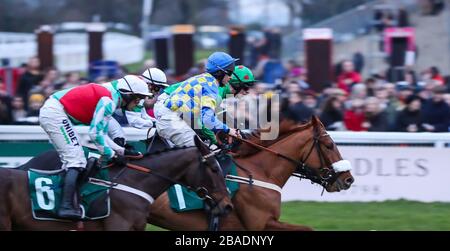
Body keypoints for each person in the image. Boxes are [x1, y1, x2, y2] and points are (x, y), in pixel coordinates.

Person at [39, 75, 153, 219]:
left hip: (58, 111)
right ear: (128, 94)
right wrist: (111, 155)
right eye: (138, 98)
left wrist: (121, 150)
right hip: (54, 112)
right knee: (76, 160)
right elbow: (95, 133)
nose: (139, 102)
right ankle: (65, 206)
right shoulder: (108, 101)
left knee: (81, 157)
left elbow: (102, 134)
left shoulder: (112, 98)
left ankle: (73, 201)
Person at [154, 52, 243, 148]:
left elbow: (203, 121)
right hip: (172, 120)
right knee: (204, 153)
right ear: (219, 72)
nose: (230, 77)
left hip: (172, 117)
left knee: (209, 149)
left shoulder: (204, 79)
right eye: (229, 73)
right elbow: (208, 120)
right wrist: (229, 130)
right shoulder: (210, 87)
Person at [110, 68, 168, 148]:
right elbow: (134, 121)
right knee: (118, 136)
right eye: (157, 88)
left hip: (105, 106)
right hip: (99, 105)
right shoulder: (137, 90)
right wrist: (157, 123)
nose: (157, 92)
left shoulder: (138, 86)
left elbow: (144, 116)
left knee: (119, 136)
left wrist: (158, 122)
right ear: (149, 84)